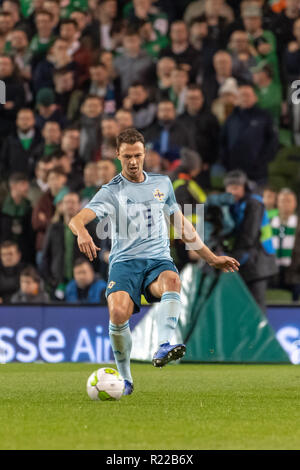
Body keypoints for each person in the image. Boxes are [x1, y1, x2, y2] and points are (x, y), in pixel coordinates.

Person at [68, 128, 239, 395]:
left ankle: (163, 344)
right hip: (125, 263)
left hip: (158, 259)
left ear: (145, 153)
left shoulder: (163, 184)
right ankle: (125, 379)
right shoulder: (110, 191)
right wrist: (82, 232)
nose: (133, 162)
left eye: (137, 155)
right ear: (117, 155)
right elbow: (76, 219)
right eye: (127, 157)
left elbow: (183, 227)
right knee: (117, 312)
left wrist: (212, 258)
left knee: (173, 280)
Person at [224, 169, 278, 312]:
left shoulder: (254, 203)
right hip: (249, 262)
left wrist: (230, 257)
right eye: (229, 188)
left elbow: (248, 236)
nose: (232, 192)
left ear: (244, 187)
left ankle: (262, 335)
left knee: (256, 308)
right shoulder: (237, 204)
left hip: (259, 263)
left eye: (236, 188)